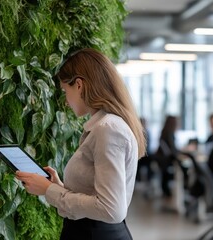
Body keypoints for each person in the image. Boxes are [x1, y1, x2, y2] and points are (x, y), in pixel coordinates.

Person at [15, 48, 146, 240]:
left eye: (64, 91)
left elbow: (111, 209)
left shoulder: (108, 129)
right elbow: (94, 193)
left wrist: (48, 190)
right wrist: (58, 187)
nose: (65, 101)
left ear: (79, 85)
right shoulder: (105, 126)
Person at [154, 115, 180, 198]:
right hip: (165, 161)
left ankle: (167, 191)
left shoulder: (164, 132)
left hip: (161, 160)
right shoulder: (169, 133)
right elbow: (173, 150)